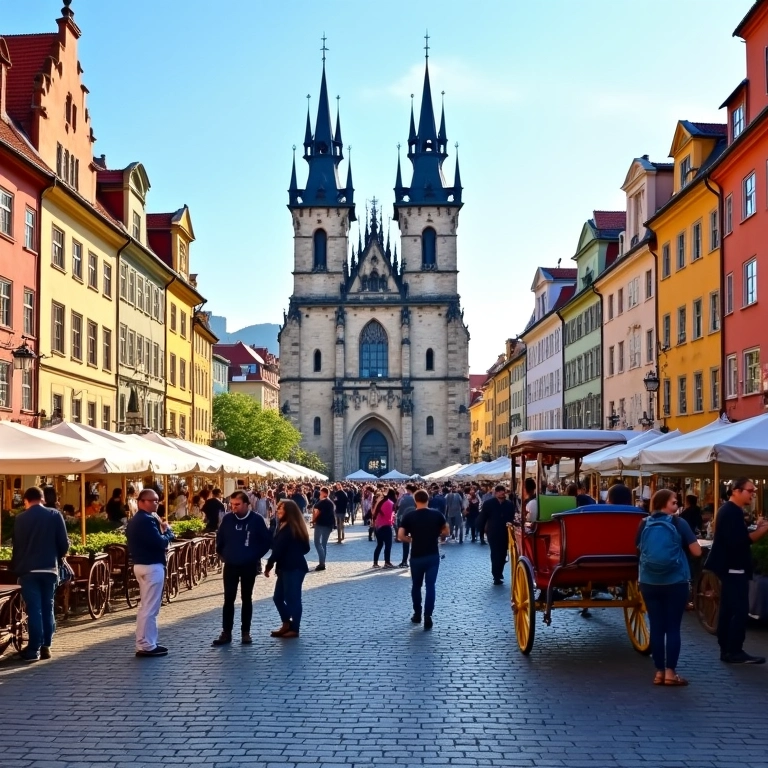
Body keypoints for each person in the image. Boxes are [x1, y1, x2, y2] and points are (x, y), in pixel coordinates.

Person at [637, 489, 701, 686]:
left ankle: (659, 672)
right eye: (674, 502)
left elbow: (638, 548)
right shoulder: (679, 523)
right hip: (675, 581)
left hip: (649, 582)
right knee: (673, 628)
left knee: (656, 627)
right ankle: (671, 673)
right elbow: (697, 552)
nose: (677, 505)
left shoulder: (644, 523)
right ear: (664, 503)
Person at [705, 478, 768, 664]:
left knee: (729, 609)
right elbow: (739, 542)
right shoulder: (730, 512)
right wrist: (762, 531)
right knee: (739, 610)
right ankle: (733, 650)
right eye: (750, 490)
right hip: (733, 568)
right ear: (736, 491)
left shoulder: (731, 511)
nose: (753, 494)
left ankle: (727, 649)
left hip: (732, 567)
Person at [10, 487, 70, 662]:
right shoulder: (55, 515)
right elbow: (64, 544)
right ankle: (46, 646)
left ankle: (33, 649)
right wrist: (57, 557)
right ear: (43, 499)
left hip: (28, 569)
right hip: (49, 568)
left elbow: (17, 545)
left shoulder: (20, 518)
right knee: (47, 606)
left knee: (34, 608)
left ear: (26, 500)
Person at [212, 491, 272, 647]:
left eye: (237, 504)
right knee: (228, 599)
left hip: (248, 565)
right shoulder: (227, 519)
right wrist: (223, 554)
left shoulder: (256, 520)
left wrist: (254, 556)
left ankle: (246, 632)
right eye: (232, 504)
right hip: (230, 565)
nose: (234, 507)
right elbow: (220, 539)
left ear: (247, 504)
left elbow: (266, 542)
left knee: (247, 598)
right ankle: (226, 632)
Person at [125, 489, 175, 657]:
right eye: (152, 500)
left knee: (146, 607)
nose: (156, 503)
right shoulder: (146, 520)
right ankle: (146, 644)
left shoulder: (137, 520)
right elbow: (160, 542)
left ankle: (146, 641)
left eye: (157, 500)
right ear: (141, 502)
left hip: (141, 564)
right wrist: (168, 531)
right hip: (151, 565)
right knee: (150, 608)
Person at [398, 489, 449, 630]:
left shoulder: (409, 516)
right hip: (432, 555)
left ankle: (417, 614)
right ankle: (428, 616)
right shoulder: (437, 515)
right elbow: (446, 531)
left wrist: (410, 539)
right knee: (430, 586)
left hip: (416, 556)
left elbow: (400, 535)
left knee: (416, 586)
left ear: (415, 500)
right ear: (428, 499)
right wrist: (436, 534)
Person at [264, 499, 310, 638]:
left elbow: (278, 550)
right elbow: (305, 548)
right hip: (285, 567)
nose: (278, 511)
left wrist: (269, 565)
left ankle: (294, 628)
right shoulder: (284, 526)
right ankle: (286, 623)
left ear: (289, 512)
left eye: (281, 509)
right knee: (278, 597)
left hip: (294, 568)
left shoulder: (290, 528)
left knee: (293, 599)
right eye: (278, 508)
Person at [478, 485, 515, 585]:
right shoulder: (488, 504)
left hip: (505, 532)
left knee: (503, 554)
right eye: (499, 492)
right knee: (495, 553)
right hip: (493, 532)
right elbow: (483, 517)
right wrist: (481, 531)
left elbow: (512, 517)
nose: (502, 493)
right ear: (496, 493)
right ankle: (496, 575)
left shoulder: (509, 504)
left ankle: (499, 572)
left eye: (503, 491)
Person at [311, 486, 335, 571]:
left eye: (321, 492)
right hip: (329, 525)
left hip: (320, 524)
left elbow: (316, 512)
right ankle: (322, 562)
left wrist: (313, 520)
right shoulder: (330, 502)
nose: (319, 494)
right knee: (324, 544)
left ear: (324, 493)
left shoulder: (320, 503)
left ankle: (322, 563)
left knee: (317, 543)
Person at [372, 488, 397, 568]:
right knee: (388, 545)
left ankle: (375, 563)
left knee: (379, 545)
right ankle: (387, 562)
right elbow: (389, 515)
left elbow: (374, 513)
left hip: (378, 526)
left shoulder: (379, 502)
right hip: (386, 525)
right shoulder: (390, 503)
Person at [396, 483, 417, 566]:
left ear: (407, 489)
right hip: (415, 520)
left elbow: (398, 506)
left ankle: (404, 561)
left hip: (404, 520)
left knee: (405, 541)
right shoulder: (416, 497)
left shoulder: (403, 497)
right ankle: (414, 559)